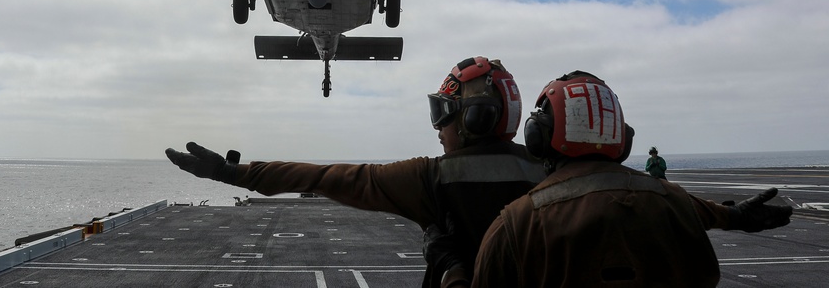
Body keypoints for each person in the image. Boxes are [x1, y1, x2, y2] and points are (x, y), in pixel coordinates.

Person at [166, 57, 547, 288]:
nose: (438, 127)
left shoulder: (430, 177)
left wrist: (231, 173)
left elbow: (322, 177)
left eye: (444, 113)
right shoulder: (551, 172)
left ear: (475, 118)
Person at [465, 71, 793, 287]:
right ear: (622, 138)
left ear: (538, 137)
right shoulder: (672, 200)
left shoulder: (515, 223)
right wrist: (738, 216)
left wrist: (449, 266)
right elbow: (701, 211)